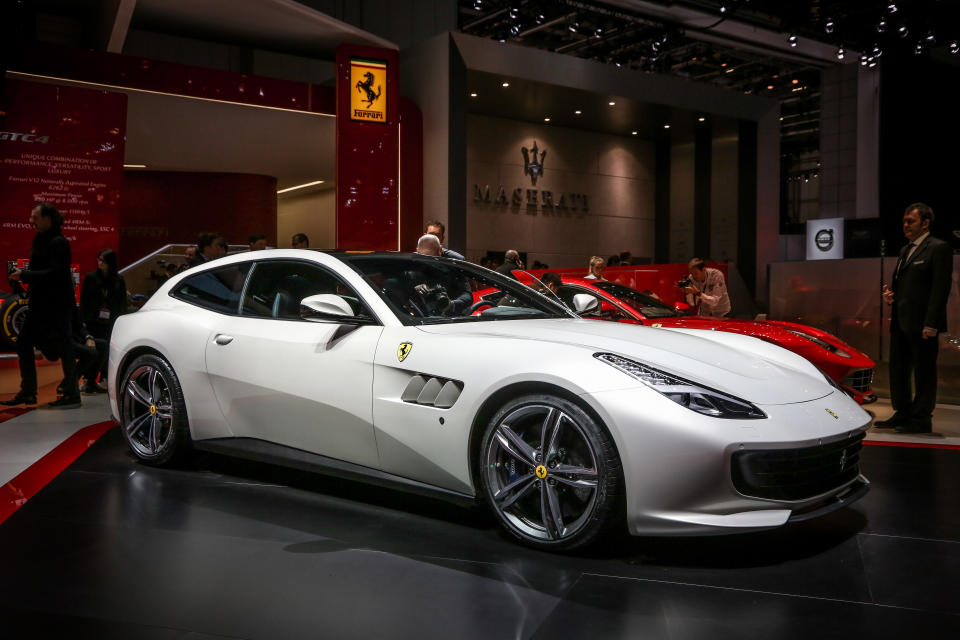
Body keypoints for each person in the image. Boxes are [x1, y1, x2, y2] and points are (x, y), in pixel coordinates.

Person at [876, 202, 954, 434]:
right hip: (901, 322)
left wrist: (932, 323)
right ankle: (903, 412)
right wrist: (892, 297)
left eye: (911, 221)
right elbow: (907, 287)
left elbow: (941, 289)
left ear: (926, 223)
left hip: (923, 326)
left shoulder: (939, 248)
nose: (906, 225)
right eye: (904, 221)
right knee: (898, 371)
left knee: (924, 373)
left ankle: (921, 418)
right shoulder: (904, 250)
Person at [1, 203, 80, 408]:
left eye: (35, 217)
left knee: (64, 348)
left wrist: (24, 275)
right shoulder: (43, 240)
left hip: (55, 307)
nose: (31, 221)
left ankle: (71, 394)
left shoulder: (58, 242)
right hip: (40, 305)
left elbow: (56, 274)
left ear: (48, 219)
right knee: (26, 343)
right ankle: (29, 392)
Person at [79, 248, 127, 382]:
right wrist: (83, 320)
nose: (100, 263)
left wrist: (119, 321)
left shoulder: (118, 280)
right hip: (92, 321)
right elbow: (84, 301)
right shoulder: (91, 277)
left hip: (110, 321)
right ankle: (88, 378)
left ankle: (101, 378)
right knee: (92, 349)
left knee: (107, 350)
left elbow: (122, 302)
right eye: (99, 260)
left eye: (104, 261)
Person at [410, 234, 472, 315]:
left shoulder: (453, 264)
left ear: (440, 250)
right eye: (424, 259)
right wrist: (413, 288)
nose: (429, 264)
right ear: (417, 251)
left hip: (453, 314)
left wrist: (452, 305)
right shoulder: (410, 265)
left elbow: (467, 294)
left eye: (433, 259)